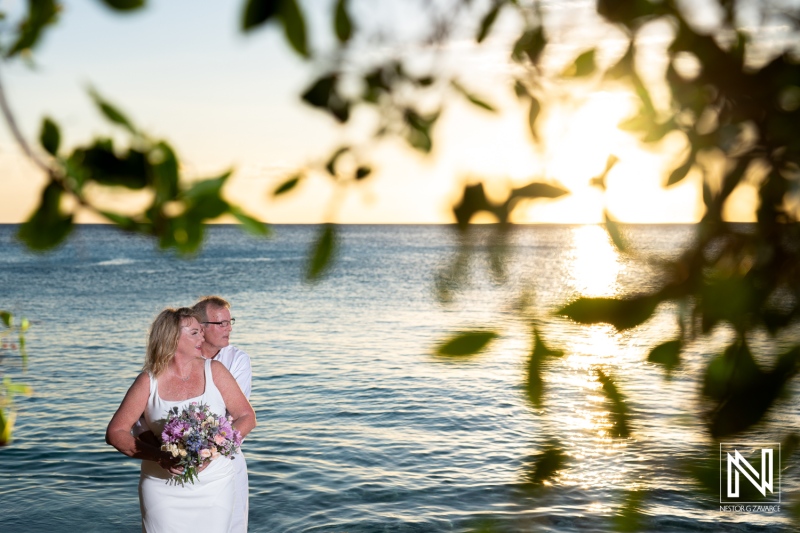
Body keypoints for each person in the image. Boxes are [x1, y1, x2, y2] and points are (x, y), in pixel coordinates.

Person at [106, 307, 256, 532]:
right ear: (174, 338)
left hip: (215, 485)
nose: (203, 336)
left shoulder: (215, 370)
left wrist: (216, 447)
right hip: (161, 488)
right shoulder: (148, 381)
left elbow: (247, 417)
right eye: (195, 332)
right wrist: (160, 456)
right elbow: (115, 433)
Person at [192, 296, 252, 533]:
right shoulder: (180, 360)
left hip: (226, 458)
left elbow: (235, 417)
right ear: (201, 328)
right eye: (221, 323)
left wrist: (208, 453)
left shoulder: (237, 359)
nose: (229, 328)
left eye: (230, 322)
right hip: (187, 460)